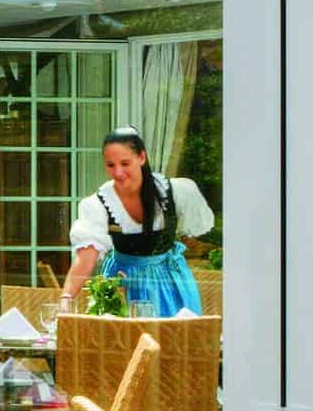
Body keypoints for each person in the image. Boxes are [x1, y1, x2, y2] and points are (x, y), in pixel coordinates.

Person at [60, 126, 215, 317]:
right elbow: (86, 259)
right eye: (110, 165)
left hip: (171, 284)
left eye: (125, 163)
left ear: (142, 157)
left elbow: (190, 237)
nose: (118, 172)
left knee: (175, 340)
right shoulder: (98, 204)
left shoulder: (176, 192)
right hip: (124, 284)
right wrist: (67, 297)